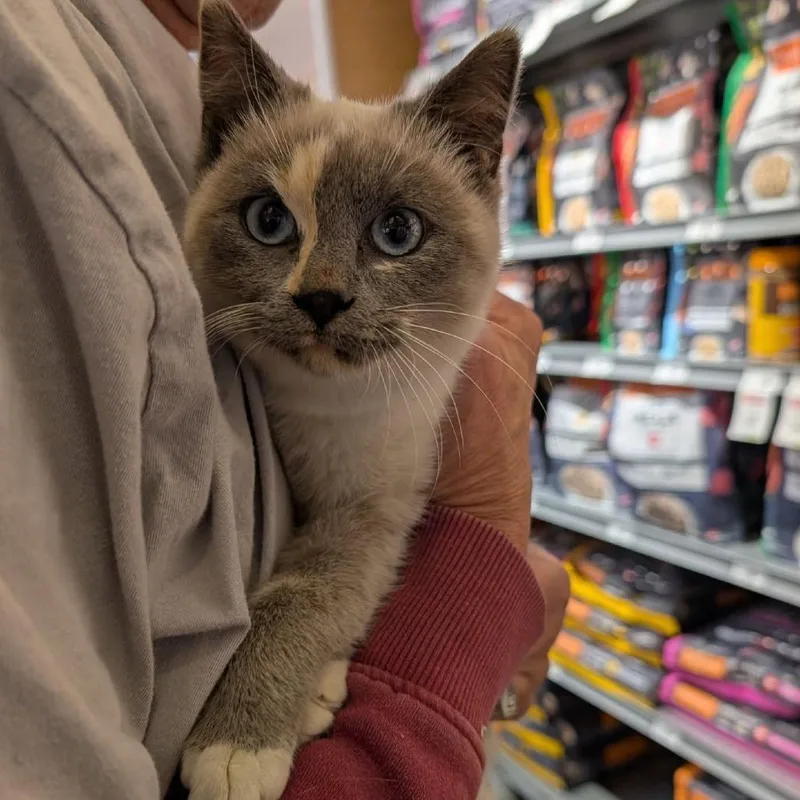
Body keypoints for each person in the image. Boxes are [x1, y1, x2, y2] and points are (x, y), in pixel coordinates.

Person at [0, 0, 569, 798]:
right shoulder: (39, 80)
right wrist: (480, 576)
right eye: (273, 221)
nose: (322, 288)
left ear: (479, 167)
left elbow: (364, 514)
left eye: (395, 234)